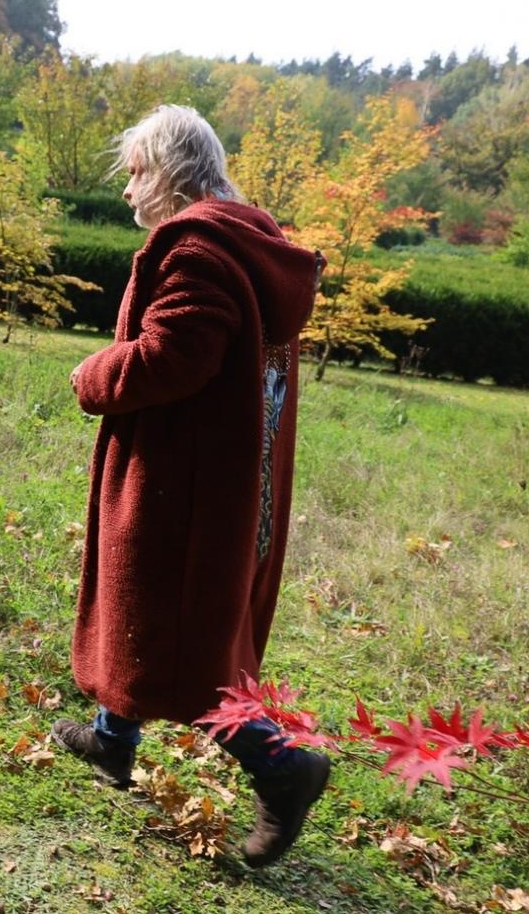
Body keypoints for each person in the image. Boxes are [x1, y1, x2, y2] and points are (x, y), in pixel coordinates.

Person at [55, 104, 329, 869]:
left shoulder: (198, 251)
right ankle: (112, 741)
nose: (127, 189)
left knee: (183, 642)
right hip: (215, 477)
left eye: (136, 172)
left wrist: (92, 374)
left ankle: (283, 768)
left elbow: (173, 357)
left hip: (187, 487)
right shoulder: (245, 240)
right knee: (142, 609)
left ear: (172, 172)